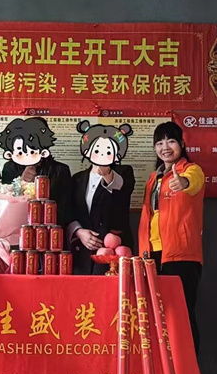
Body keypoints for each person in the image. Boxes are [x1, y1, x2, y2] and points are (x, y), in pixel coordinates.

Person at [138, 121, 205, 352]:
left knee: (183, 313)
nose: (165, 147)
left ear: (182, 144)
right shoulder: (153, 178)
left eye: (171, 141)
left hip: (181, 255)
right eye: (159, 143)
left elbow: (193, 182)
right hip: (152, 255)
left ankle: (188, 370)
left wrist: (183, 182)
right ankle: (165, 369)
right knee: (158, 315)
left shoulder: (191, 170)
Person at [68, 121, 135, 274]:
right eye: (97, 149)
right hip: (81, 250)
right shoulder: (77, 179)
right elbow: (69, 210)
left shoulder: (124, 172)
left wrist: (107, 173)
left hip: (113, 250)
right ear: (87, 151)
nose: (102, 154)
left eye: (108, 150)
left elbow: (121, 194)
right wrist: (79, 232)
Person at [0, 116, 72, 226]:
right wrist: (22, 183)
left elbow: (67, 209)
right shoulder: (10, 167)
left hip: (51, 228)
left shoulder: (61, 170)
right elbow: (5, 204)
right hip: (18, 227)